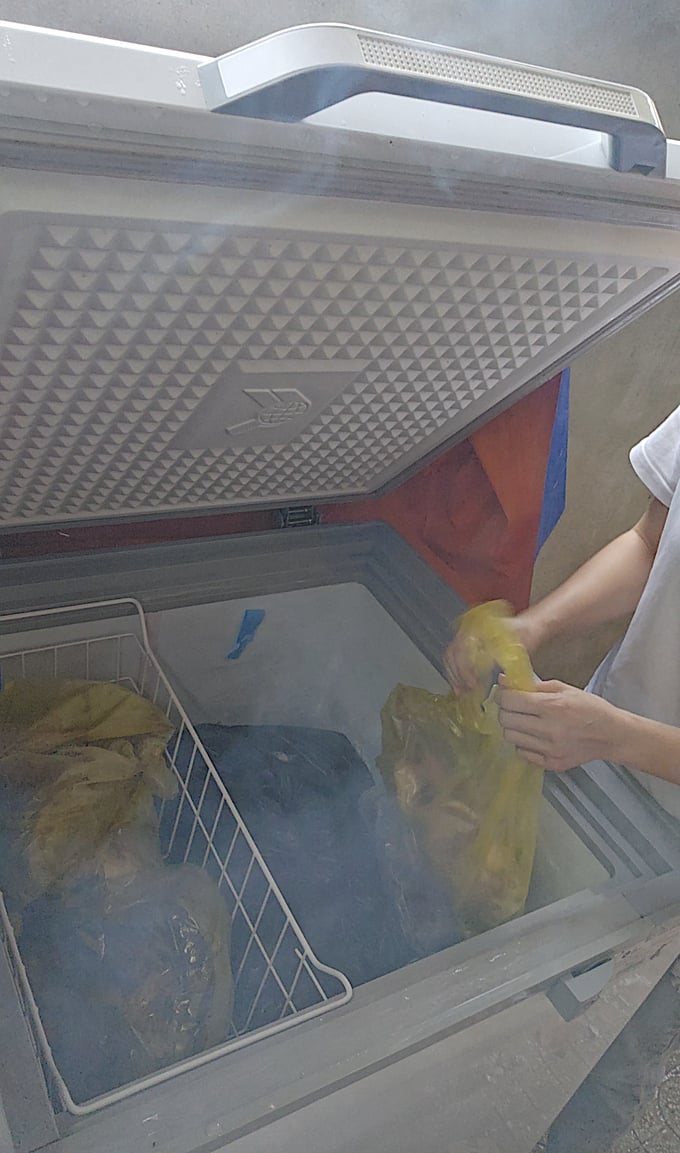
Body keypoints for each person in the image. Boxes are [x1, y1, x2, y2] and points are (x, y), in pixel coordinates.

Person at [444, 400, 680, 1151]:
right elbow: (651, 541)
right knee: (556, 986)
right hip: (610, 757)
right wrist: (535, 624)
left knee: (620, 1048)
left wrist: (618, 735)